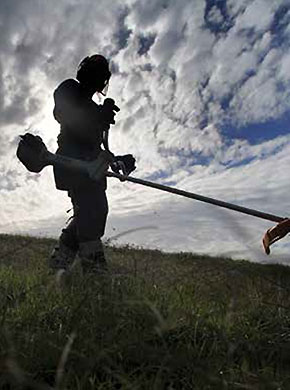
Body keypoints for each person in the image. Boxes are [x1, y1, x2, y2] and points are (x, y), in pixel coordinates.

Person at [49, 54, 135, 273]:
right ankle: (94, 268)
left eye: (101, 77)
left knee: (89, 212)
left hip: (90, 168)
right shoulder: (69, 89)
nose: (98, 82)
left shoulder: (94, 109)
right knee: (94, 210)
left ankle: (60, 261)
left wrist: (117, 160)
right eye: (96, 75)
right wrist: (97, 117)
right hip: (72, 164)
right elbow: (65, 115)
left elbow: (97, 148)